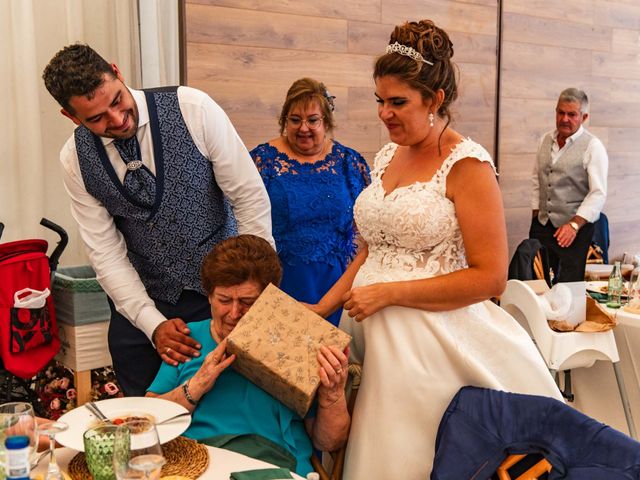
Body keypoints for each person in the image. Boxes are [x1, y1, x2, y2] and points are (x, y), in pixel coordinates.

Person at [308, 20, 564, 478]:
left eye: (398, 102)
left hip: (430, 341)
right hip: (370, 330)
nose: (385, 113)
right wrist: (320, 308)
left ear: (436, 100)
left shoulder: (466, 166)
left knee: (423, 454)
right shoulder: (387, 156)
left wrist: (388, 294)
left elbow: (490, 278)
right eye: (380, 101)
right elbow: (371, 252)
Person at [42, 44, 274, 396]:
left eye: (116, 100)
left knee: (216, 411)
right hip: (140, 300)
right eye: (97, 118)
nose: (117, 119)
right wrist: (153, 325)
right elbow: (105, 252)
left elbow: (249, 198)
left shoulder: (193, 108)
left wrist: (256, 292)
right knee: (145, 420)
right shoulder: (74, 158)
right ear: (71, 117)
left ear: (118, 73)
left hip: (218, 293)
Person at [146, 235, 349, 477]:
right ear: (209, 296)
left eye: (247, 302)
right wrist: (197, 385)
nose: (234, 313)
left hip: (275, 466)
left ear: (269, 298)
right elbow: (149, 421)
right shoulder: (188, 340)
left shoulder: (297, 345)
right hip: (198, 463)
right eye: (224, 300)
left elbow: (329, 443)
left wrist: (332, 397)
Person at [250, 78, 370, 326]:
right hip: (282, 281)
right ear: (284, 121)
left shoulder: (350, 162)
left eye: (312, 120)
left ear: (326, 121)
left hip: (339, 284)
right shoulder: (262, 160)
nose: (303, 128)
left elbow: (368, 228)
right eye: (295, 120)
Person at [530, 88, 608, 282]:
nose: (565, 119)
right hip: (542, 226)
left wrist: (574, 225)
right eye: (561, 112)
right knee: (540, 283)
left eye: (571, 114)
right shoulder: (544, 140)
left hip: (575, 231)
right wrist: (536, 215)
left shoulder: (593, 146)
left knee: (569, 287)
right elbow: (537, 180)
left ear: (584, 117)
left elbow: (598, 193)